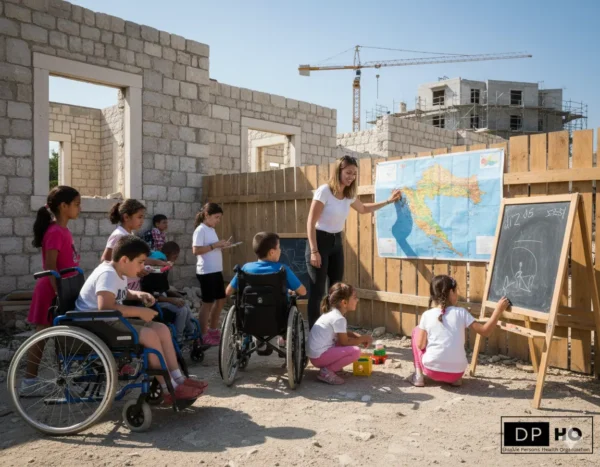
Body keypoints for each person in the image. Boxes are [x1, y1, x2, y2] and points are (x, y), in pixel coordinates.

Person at [76, 235, 207, 403]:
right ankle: (168, 388)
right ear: (124, 259)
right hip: (95, 324)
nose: (143, 266)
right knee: (150, 336)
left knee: (162, 329)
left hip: (108, 320)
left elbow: (122, 293)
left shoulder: (118, 271)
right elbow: (105, 307)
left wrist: (139, 294)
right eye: (140, 262)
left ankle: (178, 378)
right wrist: (138, 311)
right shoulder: (107, 274)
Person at [306, 155, 402, 329]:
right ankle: (315, 333)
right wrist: (314, 250)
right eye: (348, 172)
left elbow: (364, 209)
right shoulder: (325, 191)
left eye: (354, 173)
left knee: (336, 291)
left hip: (336, 242)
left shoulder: (348, 194)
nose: (351, 176)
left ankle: (333, 330)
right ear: (339, 171)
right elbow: (311, 222)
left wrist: (389, 201)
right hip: (319, 241)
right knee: (318, 291)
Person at [21, 186, 81, 396]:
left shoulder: (63, 230)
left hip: (62, 289)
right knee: (42, 337)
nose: (79, 208)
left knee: (60, 336)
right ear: (63, 206)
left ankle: (63, 378)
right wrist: (58, 293)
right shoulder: (55, 232)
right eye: (76, 204)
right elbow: (51, 268)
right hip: (51, 291)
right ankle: (29, 383)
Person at [409, 274, 511, 387]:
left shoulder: (427, 315)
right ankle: (454, 380)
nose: (457, 294)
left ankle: (418, 376)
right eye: (456, 291)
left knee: (416, 330)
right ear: (451, 293)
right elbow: (485, 331)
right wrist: (498, 310)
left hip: (432, 371)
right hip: (457, 373)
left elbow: (420, 345)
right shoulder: (461, 312)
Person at [306, 282, 372, 385]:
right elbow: (345, 342)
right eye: (354, 298)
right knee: (355, 352)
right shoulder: (338, 318)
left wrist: (357, 337)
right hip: (319, 357)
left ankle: (331, 369)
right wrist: (362, 339)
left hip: (316, 355)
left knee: (343, 343)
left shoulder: (333, 314)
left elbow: (343, 334)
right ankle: (326, 371)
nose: (357, 300)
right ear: (344, 303)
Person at [100, 199, 166, 292]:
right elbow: (105, 260)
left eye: (143, 217)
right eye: (139, 217)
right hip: (123, 287)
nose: (142, 221)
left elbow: (136, 258)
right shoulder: (119, 235)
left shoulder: (130, 234)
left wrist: (158, 263)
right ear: (126, 217)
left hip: (132, 284)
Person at [192, 203, 231, 346]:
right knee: (207, 303)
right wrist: (215, 246)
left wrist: (221, 246)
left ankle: (213, 330)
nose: (218, 221)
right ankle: (203, 334)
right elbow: (196, 250)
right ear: (207, 215)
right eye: (216, 217)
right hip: (206, 272)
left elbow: (210, 248)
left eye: (219, 218)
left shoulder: (211, 229)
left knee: (221, 300)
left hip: (216, 270)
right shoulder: (200, 230)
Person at [141, 241, 194, 342]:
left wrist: (175, 295)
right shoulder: (154, 273)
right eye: (175, 257)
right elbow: (152, 296)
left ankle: (191, 332)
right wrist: (171, 300)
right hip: (154, 303)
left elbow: (163, 289)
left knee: (184, 304)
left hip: (161, 300)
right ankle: (178, 338)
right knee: (182, 310)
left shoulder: (160, 271)